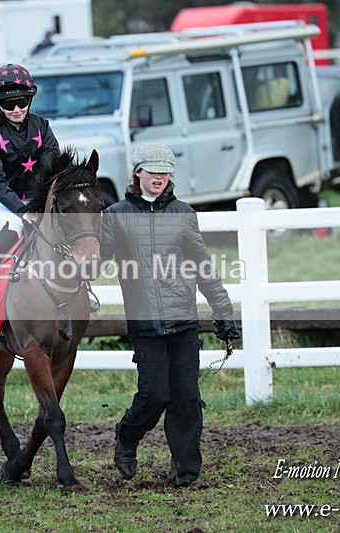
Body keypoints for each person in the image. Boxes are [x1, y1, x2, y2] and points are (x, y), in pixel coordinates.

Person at [100, 144, 240, 487]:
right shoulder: (115, 215)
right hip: (144, 322)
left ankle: (186, 472)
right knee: (154, 395)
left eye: (165, 172)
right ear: (138, 174)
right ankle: (128, 436)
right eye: (152, 171)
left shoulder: (184, 213)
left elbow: (203, 266)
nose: (159, 177)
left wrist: (223, 311)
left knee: (187, 398)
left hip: (183, 321)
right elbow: (96, 261)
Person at [0, 63, 60, 311]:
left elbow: (51, 167)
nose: (16, 109)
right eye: (8, 105)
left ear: (30, 99)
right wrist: (22, 210)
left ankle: (78, 291)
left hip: (33, 199)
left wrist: (40, 204)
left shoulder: (43, 127)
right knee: (16, 226)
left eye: (22, 102)